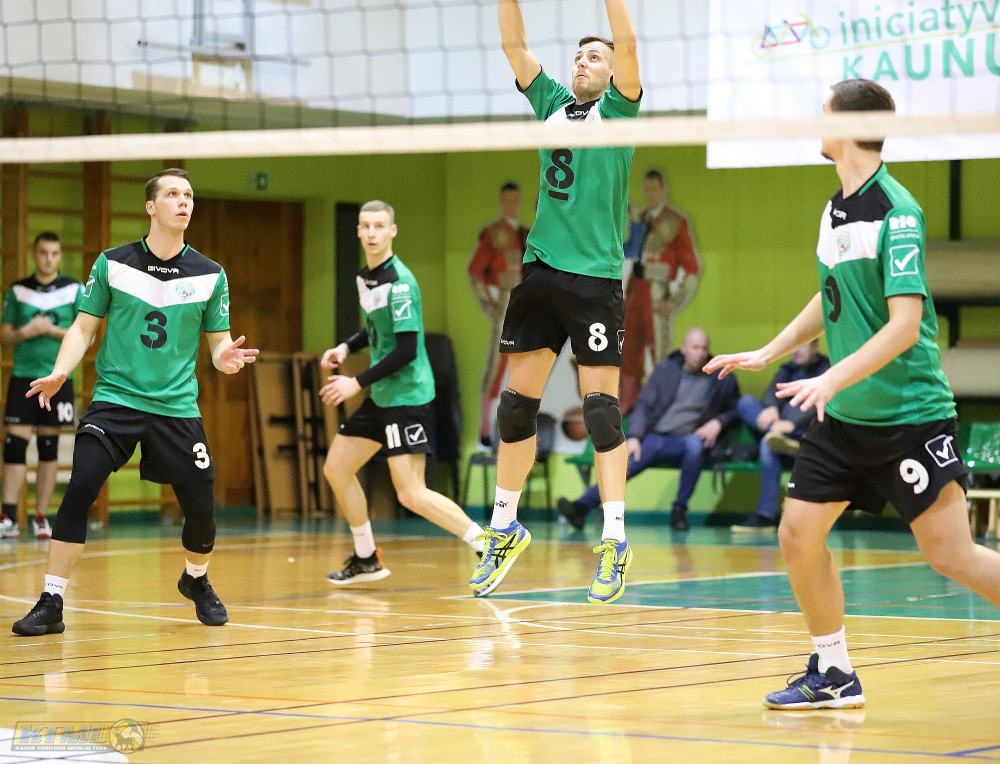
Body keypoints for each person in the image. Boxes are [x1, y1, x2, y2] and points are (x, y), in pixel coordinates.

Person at [704, 79, 1000, 710]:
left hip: (908, 416)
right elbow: (831, 293)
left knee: (952, 555)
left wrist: (832, 375)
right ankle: (834, 672)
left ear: (850, 124)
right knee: (797, 534)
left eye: (825, 113)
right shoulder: (834, 208)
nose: (818, 124)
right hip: (844, 420)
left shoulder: (899, 212)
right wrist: (769, 351)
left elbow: (904, 325)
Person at [12, 168, 259, 636]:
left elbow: (218, 344)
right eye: (173, 194)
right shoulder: (113, 263)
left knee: (202, 510)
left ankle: (195, 579)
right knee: (80, 486)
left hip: (176, 408)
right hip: (116, 400)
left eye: (189, 195)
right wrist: (61, 371)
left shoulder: (210, 274)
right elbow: (83, 328)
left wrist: (224, 357)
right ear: (151, 206)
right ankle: (51, 601)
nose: (183, 202)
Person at [469, 0, 642, 605]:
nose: (582, 61)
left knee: (600, 412)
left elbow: (627, 42)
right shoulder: (551, 105)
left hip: (595, 281)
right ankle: (504, 527)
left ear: (614, 72)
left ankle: (615, 540)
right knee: (514, 409)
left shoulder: (619, 111)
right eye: (579, 55)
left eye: (595, 56)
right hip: (542, 273)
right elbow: (514, 47)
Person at [319, 200, 490, 591]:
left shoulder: (401, 283)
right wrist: (346, 347)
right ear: (358, 231)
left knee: (411, 493)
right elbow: (376, 329)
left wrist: (355, 382)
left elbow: (407, 349)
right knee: (338, 468)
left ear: (392, 231)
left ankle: (486, 544)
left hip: (407, 397)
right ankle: (366, 557)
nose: (372, 233)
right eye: (366, 226)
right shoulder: (367, 278)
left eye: (379, 226)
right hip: (383, 394)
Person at [559, 328, 739, 533]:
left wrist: (718, 422)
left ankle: (679, 510)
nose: (700, 353)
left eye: (704, 348)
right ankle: (582, 506)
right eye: (695, 347)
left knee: (694, 447)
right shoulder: (666, 371)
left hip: (691, 440)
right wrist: (635, 437)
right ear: (684, 349)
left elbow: (736, 409)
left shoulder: (720, 377)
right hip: (657, 438)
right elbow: (644, 405)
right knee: (627, 464)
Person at [0, 232, 82, 540]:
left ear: (60, 256)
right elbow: (5, 335)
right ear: (35, 254)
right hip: (24, 376)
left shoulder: (74, 289)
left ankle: (41, 517)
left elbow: (84, 333)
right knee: (14, 446)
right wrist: (27, 331)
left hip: (58, 377)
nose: (49, 259)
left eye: (54, 253)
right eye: (44, 252)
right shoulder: (18, 290)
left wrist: (52, 331)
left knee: (49, 447)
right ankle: (9, 517)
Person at [619, 169, 702, 414]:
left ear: (663, 189)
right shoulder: (639, 218)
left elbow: (692, 269)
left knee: (659, 352)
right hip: (633, 294)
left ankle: (660, 407)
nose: (650, 194)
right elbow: (627, 252)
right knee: (628, 350)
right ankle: (628, 406)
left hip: (656, 295)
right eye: (646, 189)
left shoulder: (676, 221)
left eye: (654, 189)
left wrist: (674, 302)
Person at [730, 340, 830, 532]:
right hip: (778, 432)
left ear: (815, 347)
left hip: (805, 436)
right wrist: (772, 408)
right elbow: (771, 392)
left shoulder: (825, 371)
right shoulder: (787, 368)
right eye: (793, 347)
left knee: (768, 446)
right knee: (746, 403)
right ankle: (779, 438)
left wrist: (792, 423)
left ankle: (765, 515)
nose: (796, 351)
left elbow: (822, 402)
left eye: (802, 346)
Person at [467, 182, 530, 445]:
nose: (511, 205)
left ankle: (519, 423)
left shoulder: (527, 233)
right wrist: (490, 305)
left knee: (528, 360)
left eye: (515, 200)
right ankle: (485, 428)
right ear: (501, 202)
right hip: (506, 302)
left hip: (529, 302)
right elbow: (475, 272)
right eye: (507, 200)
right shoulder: (493, 234)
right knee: (497, 361)